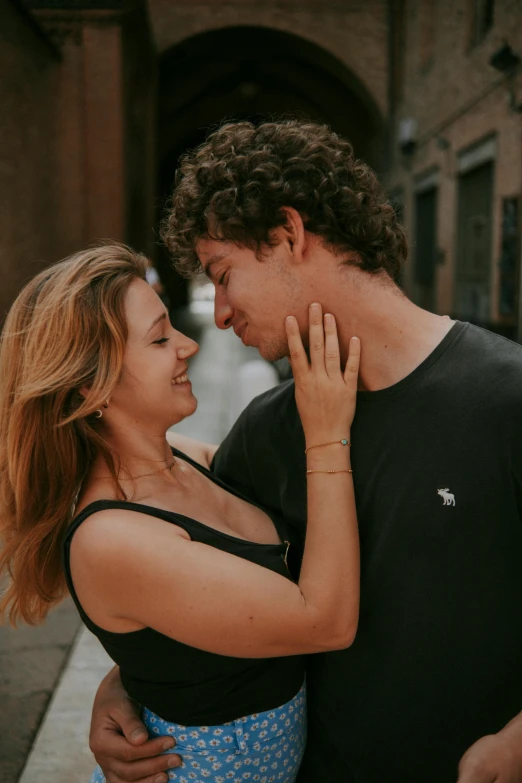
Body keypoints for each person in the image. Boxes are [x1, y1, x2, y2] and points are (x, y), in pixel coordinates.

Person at [89, 120, 522, 783]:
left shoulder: (506, 396)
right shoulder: (266, 432)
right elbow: (213, 595)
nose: (222, 313)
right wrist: (128, 681)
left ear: (289, 235)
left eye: (223, 273)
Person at [0, 243, 361, 783]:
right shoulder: (111, 538)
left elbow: (175, 635)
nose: (189, 345)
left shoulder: (191, 457)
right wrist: (327, 435)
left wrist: (126, 679)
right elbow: (325, 621)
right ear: (91, 382)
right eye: (161, 337)